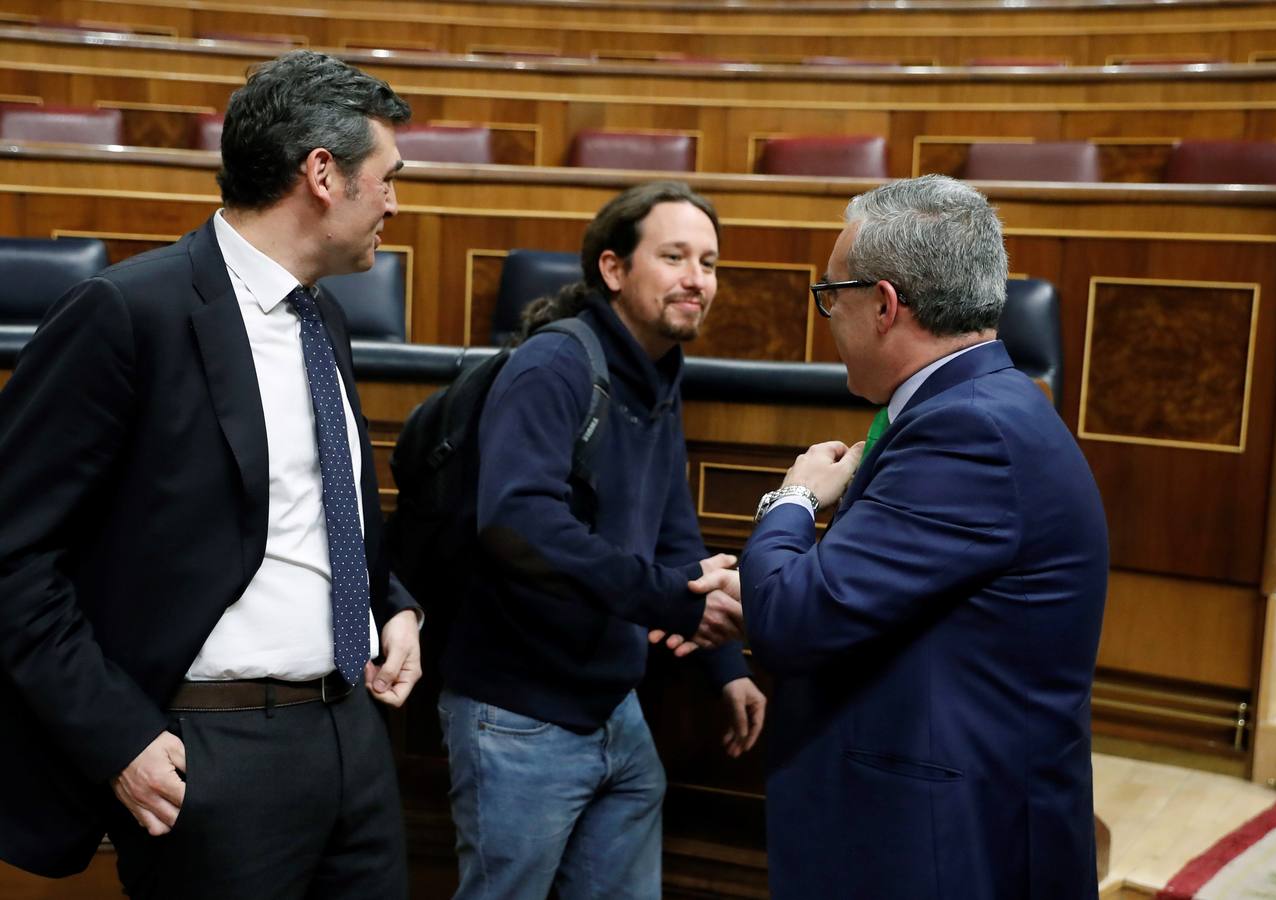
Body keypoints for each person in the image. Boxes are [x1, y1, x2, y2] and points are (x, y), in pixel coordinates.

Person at [0, 50, 422, 898]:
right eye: (388, 177)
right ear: (322, 174)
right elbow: (12, 557)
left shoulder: (321, 314)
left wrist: (393, 605)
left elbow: (312, 509)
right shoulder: (127, 313)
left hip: (354, 739)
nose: (396, 203)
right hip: (217, 753)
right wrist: (117, 736)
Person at [737, 175, 1109, 899]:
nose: (827, 317)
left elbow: (790, 622)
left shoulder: (967, 430)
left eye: (830, 296)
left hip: (943, 844)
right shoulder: (980, 406)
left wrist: (793, 498)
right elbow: (893, 591)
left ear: (882, 305)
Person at [438, 180, 766, 900]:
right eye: (675, 256)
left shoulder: (658, 369)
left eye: (709, 262)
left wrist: (726, 668)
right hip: (518, 714)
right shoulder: (554, 366)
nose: (697, 280)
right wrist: (673, 606)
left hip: (614, 707)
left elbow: (672, 525)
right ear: (614, 270)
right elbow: (518, 525)